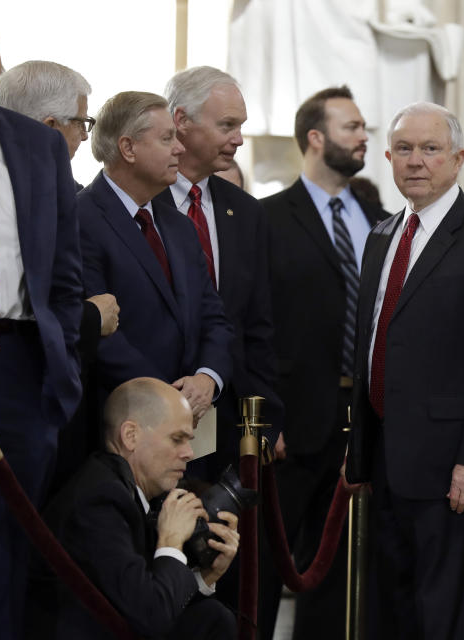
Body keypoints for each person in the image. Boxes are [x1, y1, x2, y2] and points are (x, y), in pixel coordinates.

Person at [344, 101, 464, 639]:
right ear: (388, 157)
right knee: (391, 610)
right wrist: (358, 454)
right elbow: (370, 344)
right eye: (404, 149)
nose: (415, 161)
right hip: (384, 462)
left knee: (442, 614)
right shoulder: (381, 235)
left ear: (457, 158)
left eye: (430, 149)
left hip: (450, 468)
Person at [0, 2, 83, 637]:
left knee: (6, 555)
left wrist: (59, 372)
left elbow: (64, 273)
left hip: (23, 369)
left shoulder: (35, 145)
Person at [257, 85, 387, 638]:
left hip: (365, 416)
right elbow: (255, 323)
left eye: (363, 128)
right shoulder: (266, 217)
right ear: (315, 137)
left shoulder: (380, 216)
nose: (364, 137)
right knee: (269, 562)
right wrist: (268, 415)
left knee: (345, 569)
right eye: (351, 127)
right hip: (295, 418)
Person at [0, 58, 120, 492]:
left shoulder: (67, 193)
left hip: (42, 405)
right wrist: (88, 319)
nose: (86, 136)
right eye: (82, 123)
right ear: (50, 125)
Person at [34, 377, 240, 639]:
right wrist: (172, 540)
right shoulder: (99, 499)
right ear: (130, 436)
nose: (189, 452)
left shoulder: (129, 490)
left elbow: (147, 599)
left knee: (212, 618)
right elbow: (150, 617)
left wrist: (208, 575)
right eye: (177, 439)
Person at [157, 65, 282, 482]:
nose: (239, 139)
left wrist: (266, 416)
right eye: (227, 125)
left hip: (230, 421)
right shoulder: (142, 204)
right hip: (152, 413)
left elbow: (258, 323)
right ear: (181, 122)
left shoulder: (245, 211)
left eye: (241, 126)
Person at [77, 91, 232, 423]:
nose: (179, 148)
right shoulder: (81, 218)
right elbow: (98, 334)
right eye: (167, 138)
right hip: (122, 420)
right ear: (128, 148)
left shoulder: (179, 225)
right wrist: (165, 398)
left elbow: (213, 318)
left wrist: (207, 378)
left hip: (192, 418)